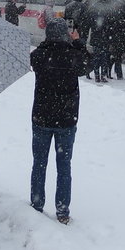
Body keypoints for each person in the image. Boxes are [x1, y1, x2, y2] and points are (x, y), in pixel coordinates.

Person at [29, 19, 90, 223]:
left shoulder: (39, 55)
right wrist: (78, 42)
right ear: (65, 34)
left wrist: (47, 43)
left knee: (39, 163)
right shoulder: (73, 56)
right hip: (66, 119)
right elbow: (90, 62)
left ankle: (37, 204)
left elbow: (36, 56)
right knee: (64, 165)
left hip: (41, 117)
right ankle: (62, 210)